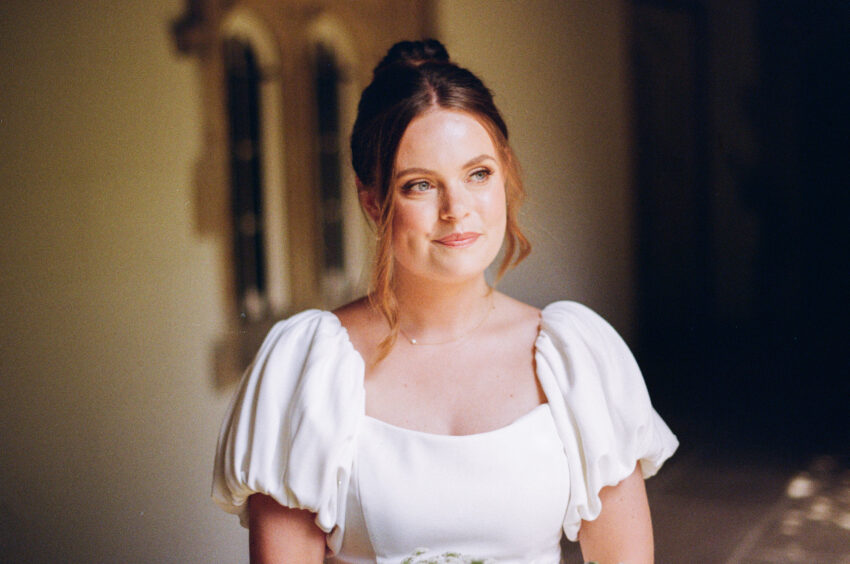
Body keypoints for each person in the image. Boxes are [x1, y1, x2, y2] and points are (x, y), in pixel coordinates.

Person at [213, 39, 678, 564]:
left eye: (478, 174)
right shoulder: (306, 367)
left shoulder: (576, 355)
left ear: (504, 174)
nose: (457, 210)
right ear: (373, 202)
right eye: (420, 186)